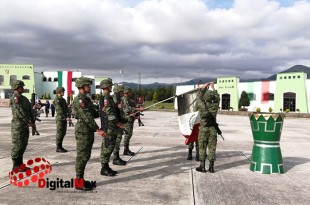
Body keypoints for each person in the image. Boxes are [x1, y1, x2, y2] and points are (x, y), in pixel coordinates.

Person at [72, 76, 107, 191]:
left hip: (87, 130)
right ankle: (78, 182)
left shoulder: (86, 99)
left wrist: (102, 110)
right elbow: (87, 117)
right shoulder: (79, 100)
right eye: (87, 85)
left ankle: (80, 179)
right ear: (82, 86)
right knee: (82, 156)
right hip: (83, 130)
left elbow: (94, 114)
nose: (89, 86)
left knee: (86, 155)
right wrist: (98, 129)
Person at [99, 78, 125, 176]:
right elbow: (109, 113)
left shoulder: (108, 97)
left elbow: (112, 111)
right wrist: (116, 123)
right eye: (110, 85)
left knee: (110, 146)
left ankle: (106, 167)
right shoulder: (106, 98)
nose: (111, 87)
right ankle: (104, 168)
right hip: (109, 126)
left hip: (111, 126)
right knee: (107, 147)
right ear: (106, 87)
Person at [9, 80, 36, 171]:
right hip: (18, 125)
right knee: (17, 145)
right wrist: (29, 122)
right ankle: (16, 165)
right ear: (17, 87)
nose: (23, 88)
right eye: (21, 87)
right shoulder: (15, 98)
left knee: (23, 144)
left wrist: (33, 120)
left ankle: (20, 164)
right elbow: (19, 111)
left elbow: (29, 110)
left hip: (24, 125)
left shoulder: (24, 98)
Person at [196, 82, 220, 173]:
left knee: (202, 147)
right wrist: (212, 89)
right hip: (213, 128)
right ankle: (211, 167)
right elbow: (217, 97)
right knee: (212, 147)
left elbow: (199, 97)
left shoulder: (203, 105)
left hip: (204, 128)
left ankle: (202, 166)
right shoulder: (216, 103)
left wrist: (204, 88)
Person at [122, 86, 144, 156]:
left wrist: (138, 107)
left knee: (129, 134)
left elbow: (134, 104)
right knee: (128, 134)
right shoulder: (124, 99)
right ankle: (126, 150)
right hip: (127, 119)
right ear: (127, 92)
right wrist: (138, 109)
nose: (131, 93)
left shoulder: (130, 99)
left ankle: (127, 149)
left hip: (131, 118)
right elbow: (127, 108)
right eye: (130, 92)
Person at [111, 85, 127, 166]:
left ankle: (116, 157)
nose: (123, 93)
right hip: (115, 124)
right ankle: (115, 158)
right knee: (116, 141)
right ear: (117, 91)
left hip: (118, 122)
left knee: (118, 140)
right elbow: (111, 111)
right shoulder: (114, 98)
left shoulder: (118, 98)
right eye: (121, 91)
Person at [53, 87, 70, 153]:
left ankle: (60, 146)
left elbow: (66, 108)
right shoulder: (57, 100)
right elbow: (59, 110)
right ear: (59, 92)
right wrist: (65, 117)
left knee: (63, 132)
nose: (64, 92)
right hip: (60, 118)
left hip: (64, 118)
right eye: (62, 91)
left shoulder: (63, 99)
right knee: (60, 133)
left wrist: (68, 115)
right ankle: (58, 147)